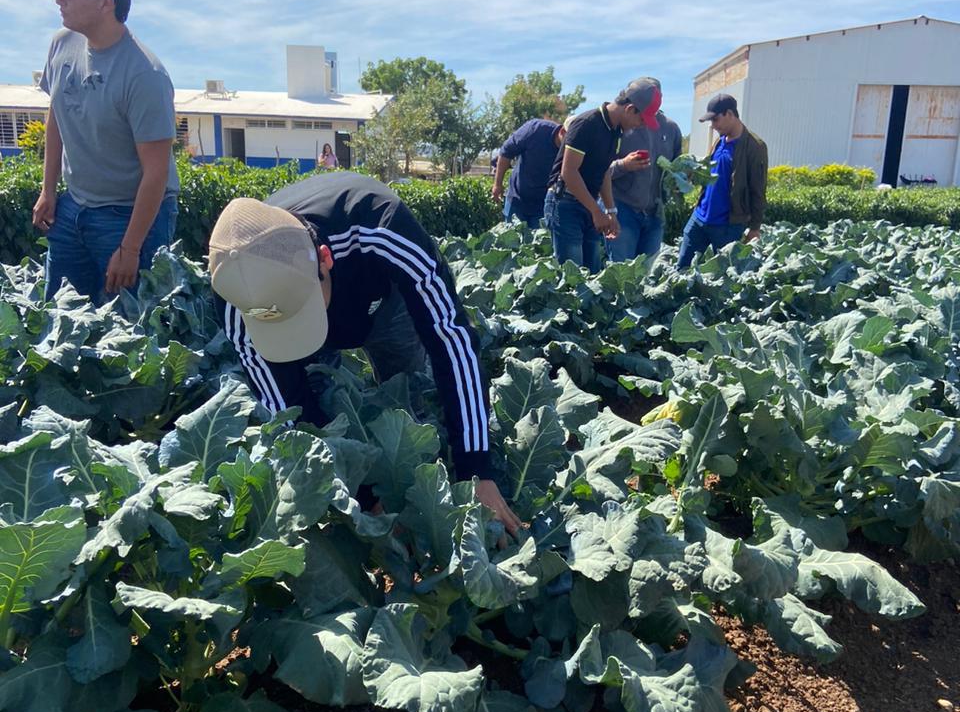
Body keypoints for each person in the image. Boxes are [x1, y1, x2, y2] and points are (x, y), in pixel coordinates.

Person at [208, 171, 520, 534]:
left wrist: (476, 470)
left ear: (324, 258)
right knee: (317, 404)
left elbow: (451, 340)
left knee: (406, 402)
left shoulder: (381, 227)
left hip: (384, 303)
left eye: (303, 309)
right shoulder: (235, 289)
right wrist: (363, 497)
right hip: (308, 309)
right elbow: (286, 408)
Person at [32, 0, 179, 300]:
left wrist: (130, 249)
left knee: (131, 333)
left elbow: (156, 173)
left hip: (129, 215)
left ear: (106, 2)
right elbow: (57, 114)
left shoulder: (145, 74)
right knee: (60, 316)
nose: (60, 2)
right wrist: (48, 189)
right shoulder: (60, 45)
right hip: (73, 208)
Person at [543, 79, 661, 272]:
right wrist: (596, 212)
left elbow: (603, 170)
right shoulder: (586, 124)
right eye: (641, 119)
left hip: (587, 205)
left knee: (593, 273)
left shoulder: (615, 132)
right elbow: (569, 173)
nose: (640, 125)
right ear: (630, 109)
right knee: (572, 278)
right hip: (564, 204)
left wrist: (610, 210)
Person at [677, 93, 767, 270]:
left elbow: (758, 188)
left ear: (730, 114)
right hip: (699, 218)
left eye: (716, 120)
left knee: (724, 280)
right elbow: (710, 173)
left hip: (728, 226)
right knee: (681, 269)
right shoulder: (719, 141)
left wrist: (755, 227)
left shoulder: (755, 146)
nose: (713, 126)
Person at [607, 84, 682, 263]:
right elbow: (599, 171)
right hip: (623, 211)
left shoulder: (671, 128)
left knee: (648, 276)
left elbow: (677, 167)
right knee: (621, 272)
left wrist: (680, 179)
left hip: (655, 214)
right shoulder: (620, 125)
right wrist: (623, 165)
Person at [492, 116, 565, 227]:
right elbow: (506, 152)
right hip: (517, 199)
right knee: (510, 240)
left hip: (543, 205)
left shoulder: (573, 149)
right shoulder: (535, 129)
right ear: (563, 132)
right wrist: (497, 184)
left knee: (540, 242)